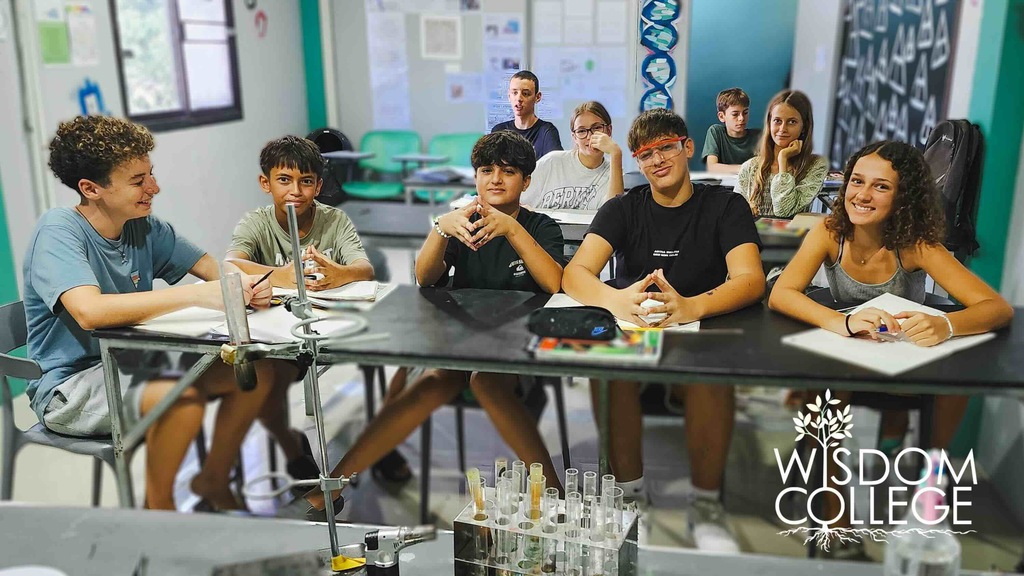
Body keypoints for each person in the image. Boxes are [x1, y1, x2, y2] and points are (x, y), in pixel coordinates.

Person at [297, 131, 566, 521]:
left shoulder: (541, 226)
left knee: (485, 380)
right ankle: (335, 483)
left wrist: (512, 230)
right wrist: (441, 228)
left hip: (521, 344)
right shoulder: (465, 222)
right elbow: (425, 278)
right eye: (486, 170)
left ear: (526, 181)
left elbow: (553, 283)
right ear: (474, 178)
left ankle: (554, 493)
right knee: (431, 380)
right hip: (465, 339)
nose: (495, 179)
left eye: (508, 172)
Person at [768, 140, 1013, 557]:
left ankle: (928, 486)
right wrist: (842, 322)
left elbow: (997, 307)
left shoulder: (916, 244)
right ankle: (836, 518)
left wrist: (946, 324)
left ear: (903, 197)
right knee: (824, 399)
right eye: (856, 182)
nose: (862, 195)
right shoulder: (830, 232)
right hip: (849, 360)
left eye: (881, 187)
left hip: (899, 361)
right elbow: (782, 293)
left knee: (956, 389)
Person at [23, 115, 274, 511]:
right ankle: (159, 513)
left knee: (256, 374)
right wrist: (199, 297)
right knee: (182, 397)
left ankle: (211, 479)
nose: (153, 188)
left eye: (150, 174)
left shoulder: (143, 227)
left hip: (132, 362)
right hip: (70, 387)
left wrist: (247, 286)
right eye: (139, 181)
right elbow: (89, 312)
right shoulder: (58, 231)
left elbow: (214, 269)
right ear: (91, 189)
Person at [561, 109, 766, 553]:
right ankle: (632, 499)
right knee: (609, 375)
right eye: (645, 154)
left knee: (710, 378)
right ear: (637, 161)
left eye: (666, 148)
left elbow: (749, 280)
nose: (656, 160)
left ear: (687, 147)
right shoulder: (623, 207)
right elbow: (575, 274)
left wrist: (690, 306)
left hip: (702, 321)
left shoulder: (725, 206)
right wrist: (616, 300)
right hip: (640, 325)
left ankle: (706, 505)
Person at [225, 135, 398, 489]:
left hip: (333, 329)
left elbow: (364, 269)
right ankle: (295, 452)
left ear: (318, 185)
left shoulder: (334, 221)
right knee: (260, 383)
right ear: (265, 183)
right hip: (280, 337)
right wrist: (282, 275)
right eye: (284, 180)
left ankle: (378, 447)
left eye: (306, 182)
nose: (296, 191)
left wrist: (340, 272)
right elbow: (230, 264)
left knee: (380, 369)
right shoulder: (256, 223)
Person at [736, 89, 828, 218]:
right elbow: (733, 213)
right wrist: (745, 209)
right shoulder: (749, 167)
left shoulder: (815, 165)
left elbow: (784, 211)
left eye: (792, 122)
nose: (782, 129)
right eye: (777, 121)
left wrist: (783, 159)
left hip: (793, 238)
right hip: (752, 236)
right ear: (769, 123)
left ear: (804, 127)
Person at [520, 100, 624, 210]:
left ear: (608, 130)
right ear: (574, 137)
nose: (589, 136)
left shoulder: (613, 172)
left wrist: (616, 154)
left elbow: (614, 214)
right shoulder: (552, 162)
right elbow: (517, 199)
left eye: (597, 128)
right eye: (581, 131)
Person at [490, 70, 563, 159]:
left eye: (525, 94)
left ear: (537, 97)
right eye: (514, 93)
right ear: (509, 96)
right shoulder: (499, 131)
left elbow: (556, 164)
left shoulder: (546, 131)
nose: (519, 98)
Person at [701, 87, 760, 174]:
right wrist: (745, 168)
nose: (741, 118)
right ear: (721, 116)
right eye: (735, 114)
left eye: (745, 113)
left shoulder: (758, 136)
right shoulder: (716, 132)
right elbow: (712, 167)